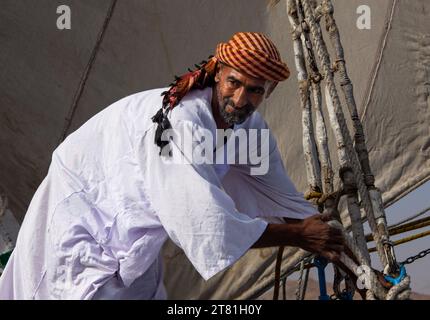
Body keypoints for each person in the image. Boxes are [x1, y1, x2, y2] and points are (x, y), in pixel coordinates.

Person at [0, 32, 344, 299]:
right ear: (217, 72)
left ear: (267, 91)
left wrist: (333, 245)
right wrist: (299, 236)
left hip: (136, 239)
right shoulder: (180, 123)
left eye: (254, 90)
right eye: (233, 83)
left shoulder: (248, 129)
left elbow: (281, 197)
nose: (240, 99)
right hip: (82, 220)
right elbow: (206, 225)